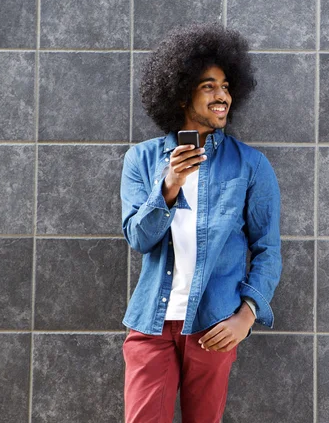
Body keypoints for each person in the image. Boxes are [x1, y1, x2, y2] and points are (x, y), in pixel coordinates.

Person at [120, 23, 282, 423]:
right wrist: (170, 185)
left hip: (214, 325)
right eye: (209, 86)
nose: (222, 95)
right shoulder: (141, 160)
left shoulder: (251, 165)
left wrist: (246, 316)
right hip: (151, 326)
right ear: (180, 94)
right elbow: (138, 238)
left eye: (226, 86)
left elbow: (268, 249)